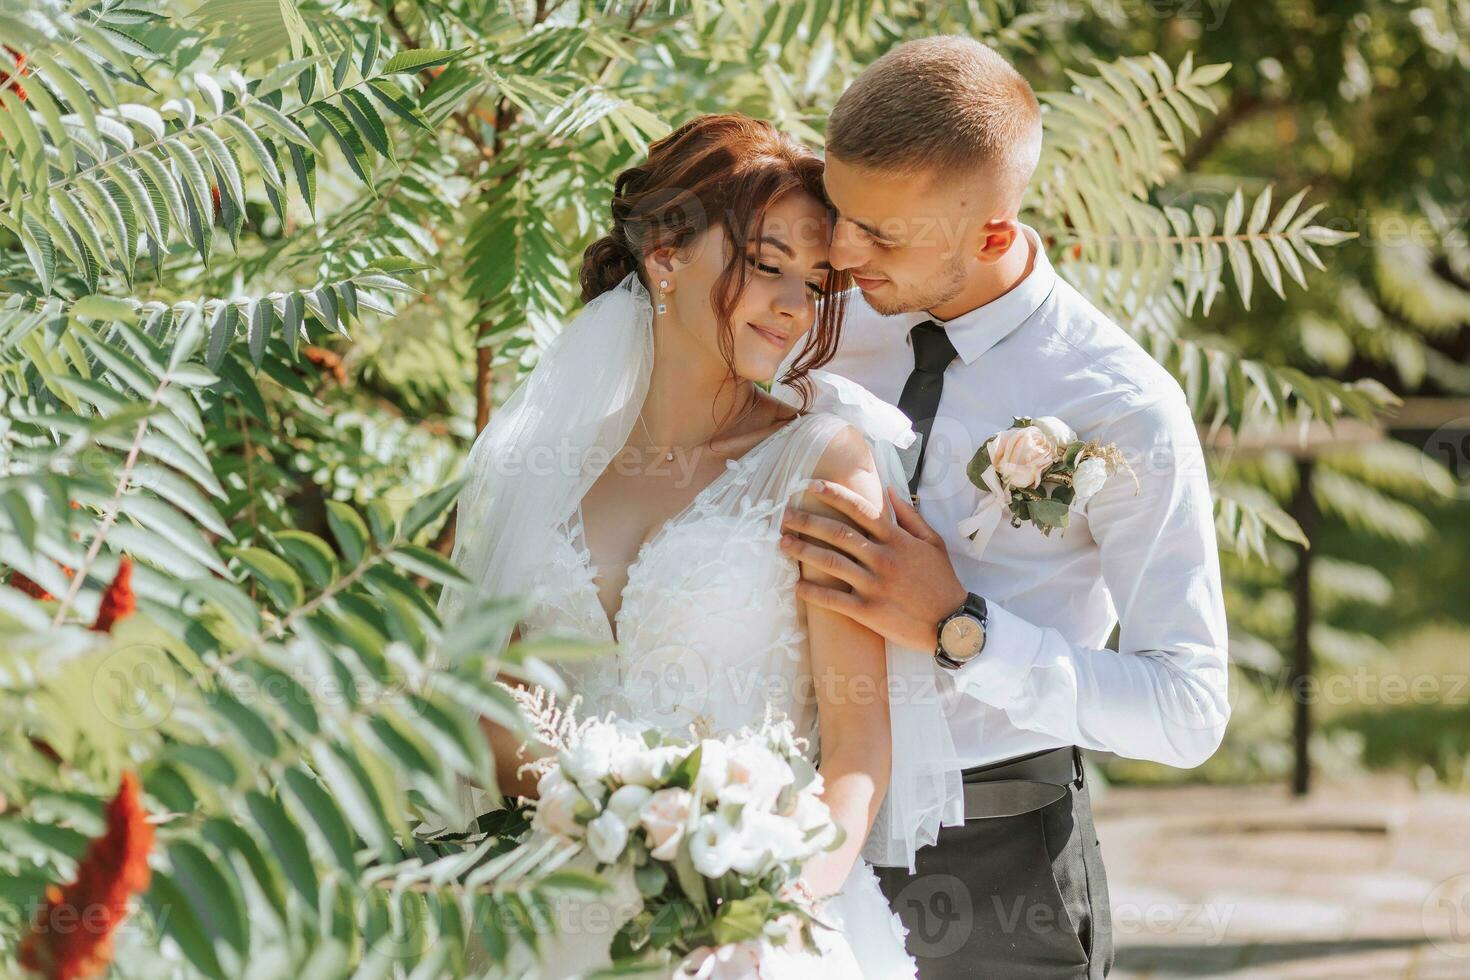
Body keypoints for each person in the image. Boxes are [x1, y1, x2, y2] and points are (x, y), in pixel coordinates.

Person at [438, 112, 962, 978]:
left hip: (757, 921)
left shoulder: (823, 460)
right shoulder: (537, 463)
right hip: (553, 918)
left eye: (818, 282)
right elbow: (486, 702)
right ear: (666, 256)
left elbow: (859, 751)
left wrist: (777, 907)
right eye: (766, 266)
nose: (795, 306)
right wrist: (618, 811)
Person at [775, 36, 1231, 979]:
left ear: (990, 231)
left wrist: (960, 629)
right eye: (840, 213)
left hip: (999, 872)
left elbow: (1190, 708)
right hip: (788, 836)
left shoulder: (1121, 403)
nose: (845, 253)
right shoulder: (812, 321)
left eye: (885, 235)